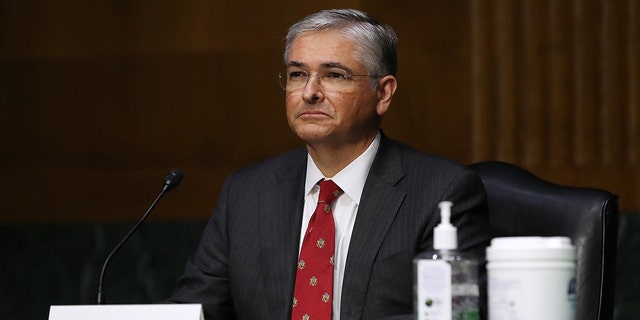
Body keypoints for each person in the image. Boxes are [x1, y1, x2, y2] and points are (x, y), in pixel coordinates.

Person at [167, 8, 490, 320]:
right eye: (297, 75)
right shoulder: (246, 192)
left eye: (334, 75)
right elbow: (195, 309)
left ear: (383, 93)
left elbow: (451, 314)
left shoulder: (442, 191)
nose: (309, 92)